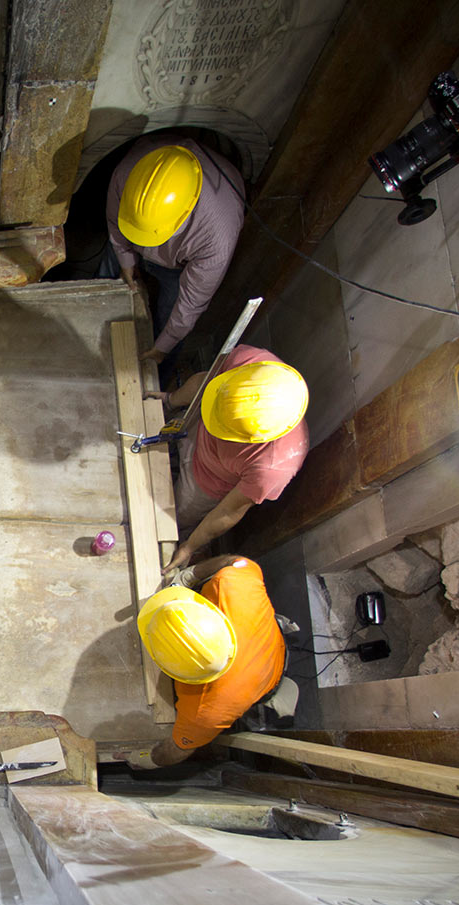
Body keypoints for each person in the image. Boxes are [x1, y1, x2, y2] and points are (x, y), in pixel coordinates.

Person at [148, 345, 309, 576]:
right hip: (194, 425)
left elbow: (228, 511)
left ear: (257, 438)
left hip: (205, 485)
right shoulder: (253, 364)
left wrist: (190, 546)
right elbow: (204, 383)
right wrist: (169, 401)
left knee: (169, 519)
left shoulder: (274, 466)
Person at [130, 555, 293, 769]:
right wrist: (189, 576)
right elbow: (236, 560)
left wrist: (142, 760)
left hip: (267, 683)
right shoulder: (235, 585)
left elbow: (178, 750)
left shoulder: (205, 711)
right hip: (270, 646)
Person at [104, 135, 245, 366]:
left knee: (170, 316)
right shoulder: (128, 172)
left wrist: (162, 347)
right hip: (129, 239)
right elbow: (114, 221)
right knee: (111, 269)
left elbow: (191, 302)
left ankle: (160, 367)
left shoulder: (218, 234)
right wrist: (126, 261)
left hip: (178, 263)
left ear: (184, 213)